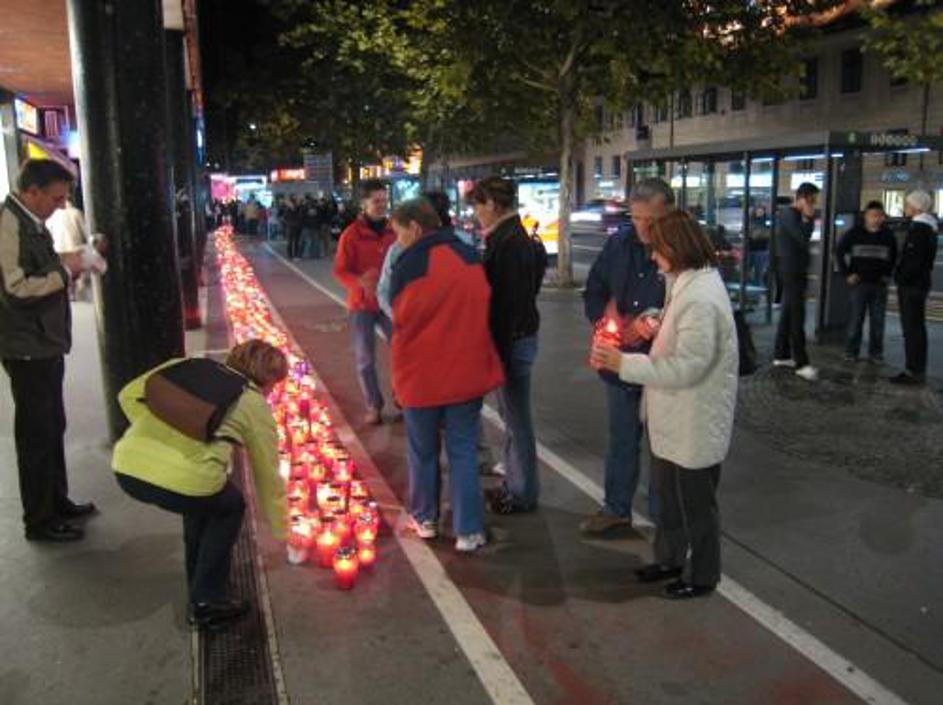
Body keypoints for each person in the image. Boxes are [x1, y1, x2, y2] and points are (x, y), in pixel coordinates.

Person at [591, 210, 737, 600]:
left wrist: (624, 364)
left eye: (657, 249)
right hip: (673, 418)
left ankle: (703, 575)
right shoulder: (686, 284)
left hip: (693, 419)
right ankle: (670, 560)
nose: (653, 257)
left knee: (695, 506)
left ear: (676, 247)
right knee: (671, 501)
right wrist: (656, 318)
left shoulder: (701, 297)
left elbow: (688, 366)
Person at [112, 340, 288, 629]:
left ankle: (199, 577)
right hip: (183, 479)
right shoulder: (252, 402)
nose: (272, 392)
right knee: (230, 506)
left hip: (127, 467)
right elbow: (267, 473)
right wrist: (282, 529)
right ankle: (208, 602)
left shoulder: (189, 365)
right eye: (274, 385)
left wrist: (163, 427)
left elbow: (127, 395)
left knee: (201, 504)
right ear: (267, 379)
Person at [389, 199, 505, 552]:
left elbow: (400, 318)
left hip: (420, 375)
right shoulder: (469, 255)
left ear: (415, 228)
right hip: (466, 371)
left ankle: (425, 518)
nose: (398, 241)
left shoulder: (408, 264)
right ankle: (469, 530)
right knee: (463, 451)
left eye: (399, 233)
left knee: (423, 451)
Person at [0, 159, 94, 542]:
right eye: (56, 199)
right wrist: (65, 271)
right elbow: (16, 288)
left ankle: (57, 501)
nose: (60, 205)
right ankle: (39, 520)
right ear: (32, 191)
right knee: (37, 435)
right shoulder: (8, 224)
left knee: (53, 425)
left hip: (43, 343)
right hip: (26, 346)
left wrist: (68, 264)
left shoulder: (30, 222)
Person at [581, 178, 670, 535]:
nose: (643, 227)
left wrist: (652, 323)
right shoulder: (619, 244)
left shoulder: (682, 248)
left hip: (663, 366)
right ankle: (616, 507)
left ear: (669, 213)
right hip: (620, 362)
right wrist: (605, 320)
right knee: (621, 439)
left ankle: (665, 519)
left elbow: (692, 306)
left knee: (664, 446)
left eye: (652, 220)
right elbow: (594, 289)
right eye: (637, 218)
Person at [468, 177, 544, 514]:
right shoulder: (513, 236)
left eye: (478, 205)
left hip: (513, 341)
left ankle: (522, 492)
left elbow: (506, 307)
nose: (476, 213)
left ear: (492, 205)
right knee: (514, 417)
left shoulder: (509, 242)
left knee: (516, 420)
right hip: (519, 336)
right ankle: (516, 485)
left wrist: (494, 357)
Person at [333, 179, 396, 424]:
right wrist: (359, 282)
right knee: (365, 358)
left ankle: (403, 399)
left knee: (401, 351)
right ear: (364, 203)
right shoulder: (351, 234)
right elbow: (340, 270)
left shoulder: (395, 231)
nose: (381, 205)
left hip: (391, 304)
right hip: (362, 305)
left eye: (384, 200)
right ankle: (374, 405)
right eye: (376, 201)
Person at [836, 201, 897, 363]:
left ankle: (875, 354)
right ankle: (851, 352)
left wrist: (888, 274)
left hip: (879, 284)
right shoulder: (854, 234)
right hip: (859, 284)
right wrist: (847, 274)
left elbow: (894, 257)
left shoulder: (888, 236)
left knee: (878, 322)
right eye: (873, 215)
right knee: (855, 321)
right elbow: (839, 252)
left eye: (879, 216)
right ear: (865, 216)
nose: (876, 219)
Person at [772, 182, 820, 381]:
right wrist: (809, 218)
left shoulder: (790, 215)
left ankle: (781, 354)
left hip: (794, 269)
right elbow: (802, 237)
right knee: (797, 316)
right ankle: (802, 362)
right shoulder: (789, 214)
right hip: (792, 271)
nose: (814, 205)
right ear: (803, 199)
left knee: (788, 313)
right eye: (812, 200)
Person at [892, 190, 938, 386]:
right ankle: (916, 369)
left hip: (912, 286)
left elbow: (913, 261)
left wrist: (899, 277)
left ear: (917, 207)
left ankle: (913, 371)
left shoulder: (919, 229)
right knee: (916, 327)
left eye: (908, 204)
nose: (905, 207)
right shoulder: (929, 227)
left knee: (911, 328)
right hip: (919, 284)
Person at [747, 205, 771, 286]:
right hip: (750, 249)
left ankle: (758, 287)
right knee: (747, 270)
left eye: (762, 211)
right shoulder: (750, 221)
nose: (760, 213)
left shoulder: (767, 221)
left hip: (761, 249)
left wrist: (759, 233)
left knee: (759, 271)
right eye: (758, 211)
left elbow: (770, 232)